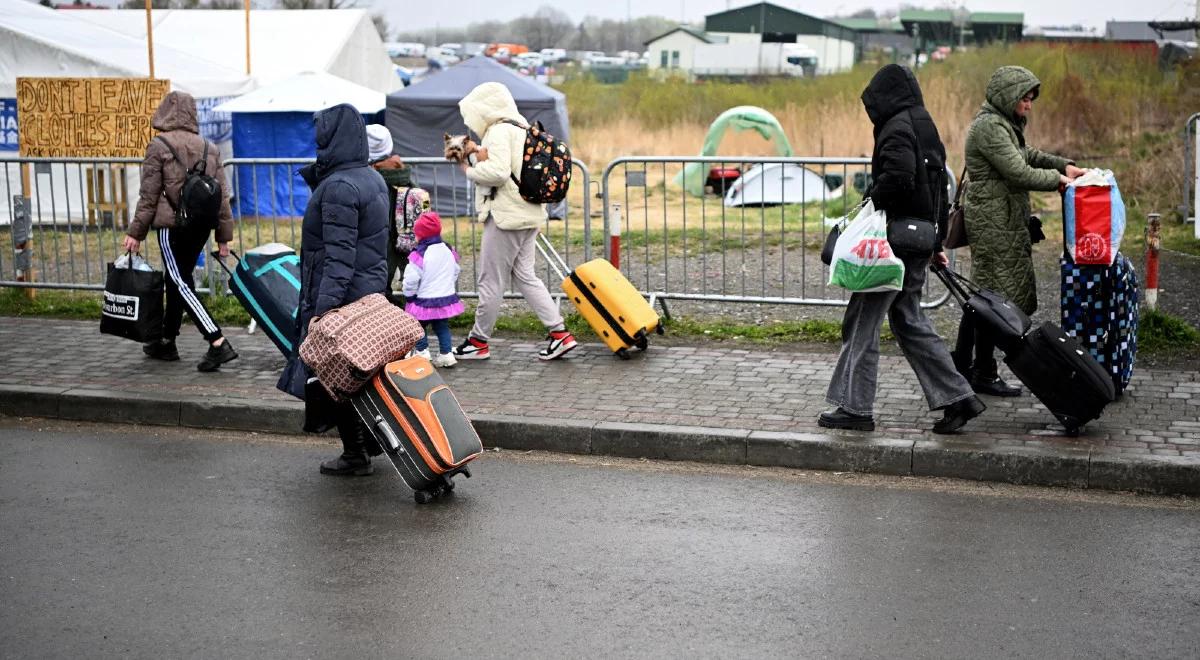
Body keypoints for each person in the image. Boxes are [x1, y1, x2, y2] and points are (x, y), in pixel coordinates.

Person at [820, 64, 985, 434]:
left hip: (891, 245)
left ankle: (854, 407)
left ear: (884, 98)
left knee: (863, 321)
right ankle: (959, 397)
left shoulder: (896, 126)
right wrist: (935, 241)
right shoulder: (925, 123)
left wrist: (868, 204)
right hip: (918, 239)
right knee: (909, 320)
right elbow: (938, 188)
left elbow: (898, 177)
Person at [953, 66, 1085, 397]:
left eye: (1030, 100)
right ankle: (977, 370)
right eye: (1024, 99)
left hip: (1004, 221)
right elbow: (1017, 171)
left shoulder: (1004, 125)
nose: (1029, 105)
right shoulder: (989, 128)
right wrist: (1058, 181)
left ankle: (968, 368)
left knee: (988, 298)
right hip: (994, 223)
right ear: (1008, 97)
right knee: (990, 299)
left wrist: (1062, 165)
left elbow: (1028, 156)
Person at [276, 103, 390, 477]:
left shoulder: (340, 186)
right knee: (362, 377)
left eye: (321, 132)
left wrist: (322, 312)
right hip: (368, 289)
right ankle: (370, 444)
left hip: (343, 296)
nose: (316, 138)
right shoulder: (369, 177)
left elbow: (338, 258)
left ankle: (356, 453)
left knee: (337, 378)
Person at [451, 81, 577, 362]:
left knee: (490, 280)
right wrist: (479, 153)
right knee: (525, 276)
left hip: (506, 217)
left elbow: (497, 172)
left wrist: (467, 169)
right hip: (529, 213)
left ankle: (478, 341)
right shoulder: (521, 129)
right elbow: (509, 165)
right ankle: (560, 334)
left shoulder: (497, 131)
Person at [124, 91, 237, 372]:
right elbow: (222, 196)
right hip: (200, 228)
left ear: (165, 111)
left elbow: (148, 196)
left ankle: (217, 341)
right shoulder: (208, 147)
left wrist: (135, 233)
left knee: (179, 281)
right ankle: (166, 340)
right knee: (176, 280)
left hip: (171, 227)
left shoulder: (158, 145)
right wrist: (223, 237)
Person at [402, 211, 464, 368]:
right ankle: (446, 354)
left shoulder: (419, 254)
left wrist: (409, 294)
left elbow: (411, 278)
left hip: (423, 300)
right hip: (444, 297)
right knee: (442, 327)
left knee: (418, 326)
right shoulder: (448, 249)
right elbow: (455, 270)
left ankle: (422, 352)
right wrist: (446, 285)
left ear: (421, 235)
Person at [365, 123, 412, 302]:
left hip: (378, 237)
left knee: (380, 281)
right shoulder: (400, 171)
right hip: (403, 234)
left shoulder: (366, 177)